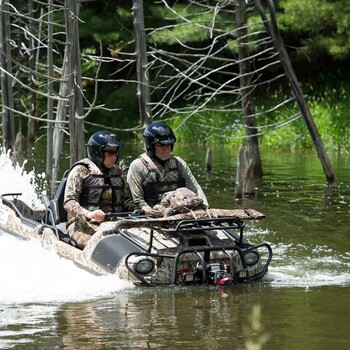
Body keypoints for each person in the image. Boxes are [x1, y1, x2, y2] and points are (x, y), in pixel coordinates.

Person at [64, 131, 135, 249]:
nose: (115, 156)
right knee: (102, 246)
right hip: (83, 224)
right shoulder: (80, 171)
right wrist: (89, 213)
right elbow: (69, 201)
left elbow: (126, 201)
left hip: (115, 223)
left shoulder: (117, 173)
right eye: (110, 153)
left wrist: (139, 210)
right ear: (98, 152)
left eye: (116, 152)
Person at [127, 122, 208, 215]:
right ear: (150, 146)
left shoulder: (179, 163)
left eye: (169, 144)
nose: (166, 148)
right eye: (161, 145)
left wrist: (205, 208)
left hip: (180, 212)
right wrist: (151, 211)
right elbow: (138, 200)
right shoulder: (138, 166)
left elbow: (195, 188)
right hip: (153, 215)